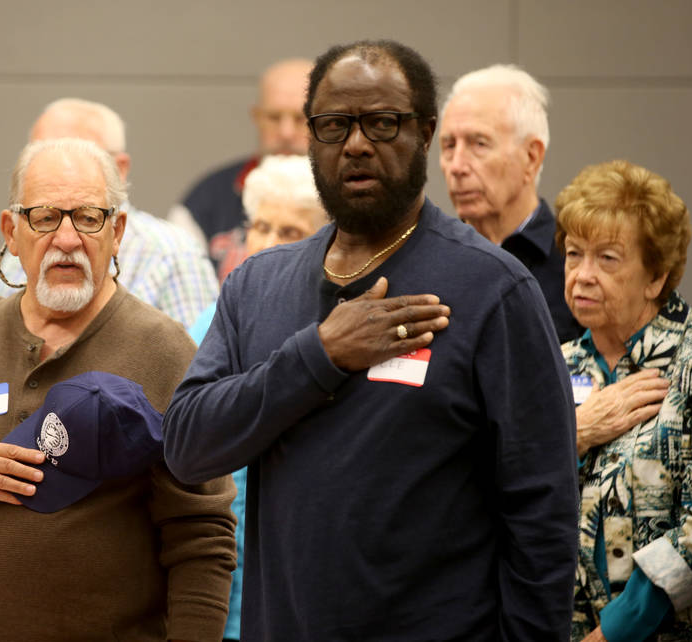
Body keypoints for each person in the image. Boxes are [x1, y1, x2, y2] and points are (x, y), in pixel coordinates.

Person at [163, 39, 579, 640]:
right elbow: (187, 447)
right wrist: (320, 355)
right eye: (334, 124)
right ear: (311, 138)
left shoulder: (493, 290)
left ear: (425, 133)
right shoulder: (258, 285)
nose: (356, 143)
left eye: (382, 123)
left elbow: (543, 514)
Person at [0, 137, 236, 641]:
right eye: (45, 217)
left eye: (88, 217)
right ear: (11, 232)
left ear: (117, 231)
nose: (67, 238)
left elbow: (202, 539)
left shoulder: (164, 352)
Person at [555, 160, 692, 642]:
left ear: (656, 277)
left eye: (607, 258)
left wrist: (616, 632)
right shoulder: (555, 367)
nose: (582, 275)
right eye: (574, 253)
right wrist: (575, 434)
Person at [185, 153, 326, 642]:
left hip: (308, 596)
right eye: (260, 227)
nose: (267, 244)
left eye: (289, 232)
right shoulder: (207, 326)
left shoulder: (340, 334)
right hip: (220, 594)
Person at [0, 98, 218, 329]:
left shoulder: (174, 253)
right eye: (41, 153)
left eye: (79, 153)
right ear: (11, 233)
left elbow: (195, 359)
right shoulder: (21, 250)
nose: (65, 240)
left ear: (120, 168)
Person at [439, 64, 582, 343]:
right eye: (448, 146)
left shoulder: (576, 265)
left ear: (531, 157)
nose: (456, 166)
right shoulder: (432, 262)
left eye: (479, 144)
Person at [168, 58, 312, 270]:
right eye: (273, 117)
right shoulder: (208, 196)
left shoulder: (348, 197)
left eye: (300, 118)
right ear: (256, 117)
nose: (286, 133)